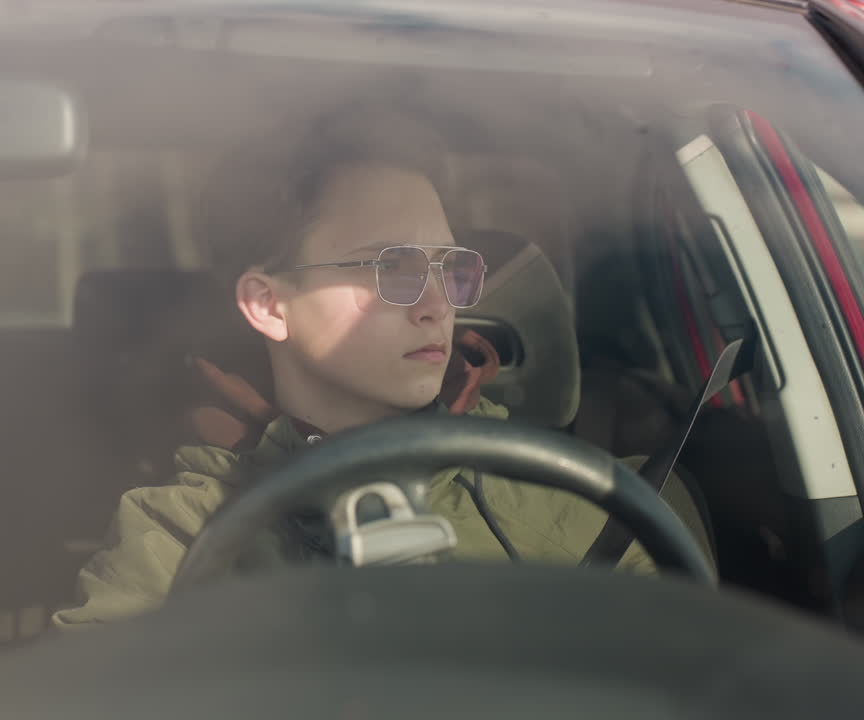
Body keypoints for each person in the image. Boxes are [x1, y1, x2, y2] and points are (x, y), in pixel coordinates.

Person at [51, 104, 712, 629]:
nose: (436, 306)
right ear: (268, 303)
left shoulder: (603, 501)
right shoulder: (180, 533)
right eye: (390, 268)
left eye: (448, 268)